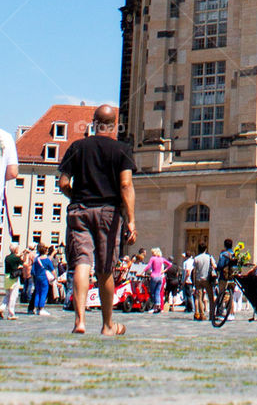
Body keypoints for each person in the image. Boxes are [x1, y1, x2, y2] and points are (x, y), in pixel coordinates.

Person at [58, 103, 136, 337]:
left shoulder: (77, 147)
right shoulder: (122, 150)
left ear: (93, 123)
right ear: (115, 125)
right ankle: (107, 325)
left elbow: (63, 183)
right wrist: (131, 220)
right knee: (105, 270)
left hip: (79, 210)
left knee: (82, 263)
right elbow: (125, 185)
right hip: (108, 213)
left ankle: (80, 321)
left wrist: (75, 197)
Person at [192, 242, 216, 320]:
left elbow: (194, 270)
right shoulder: (209, 257)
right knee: (211, 297)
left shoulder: (196, 258)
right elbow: (215, 266)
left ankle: (202, 314)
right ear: (205, 249)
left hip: (198, 279)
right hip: (207, 279)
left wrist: (194, 281)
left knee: (199, 297)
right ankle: (212, 314)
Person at [31, 243, 55, 316]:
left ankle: (35, 308)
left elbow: (32, 271)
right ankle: (41, 308)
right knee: (44, 293)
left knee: (37, 293)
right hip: (44, 278)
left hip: (37, 278)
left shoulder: (36, 259)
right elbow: (52, 270)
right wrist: (55, 277)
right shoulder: (47, 260)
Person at [2, 243, 23, 319]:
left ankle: (2, 308)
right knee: (13, 296)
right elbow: (22, 263)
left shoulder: (7, 257)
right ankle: (11, 313)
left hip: (6, 277)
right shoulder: (17, 258)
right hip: (13, 277)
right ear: (16, 249)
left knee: (7, 295)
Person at [145, 248, 167, 313]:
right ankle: (159, 306)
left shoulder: (153, 259)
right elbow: (169, 264)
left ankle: (154, 307)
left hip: (154, 277)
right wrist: (164, 271)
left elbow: (149, 267)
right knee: (158, 292)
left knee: (153, 293)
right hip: (161, 277)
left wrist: (143, 271)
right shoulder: (161, 260)